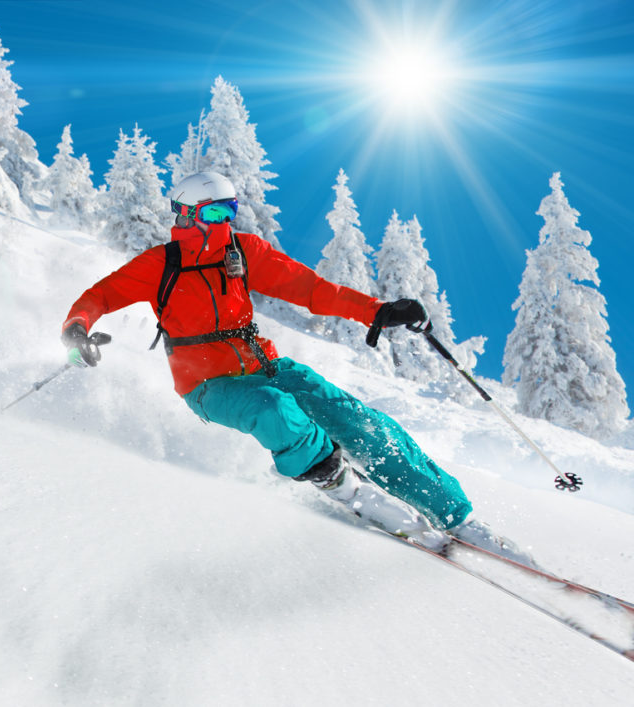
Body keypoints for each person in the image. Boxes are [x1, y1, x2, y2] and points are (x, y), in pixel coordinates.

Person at [60, 171, 528, 559]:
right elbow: (99, 296)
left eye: (230, 211)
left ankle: (456, 516)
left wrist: (378, 311)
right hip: (206, 384)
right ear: (186, 214)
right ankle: (343, 486)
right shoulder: (159, 265)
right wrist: (77, 328)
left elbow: (312, 289)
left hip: (266, 364)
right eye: (214, 213)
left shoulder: (242, 253)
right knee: (273, 409)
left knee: (360, 421)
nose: (225, 221)